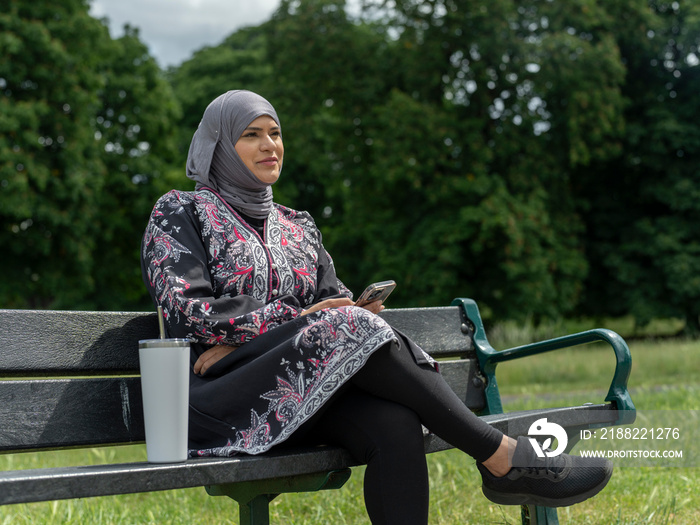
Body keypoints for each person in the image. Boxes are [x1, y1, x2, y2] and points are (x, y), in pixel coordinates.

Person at [140, 90, 612, 524]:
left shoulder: (297, 225)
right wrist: (296, 324)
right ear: (219, 146)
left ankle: (504, 461)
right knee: (344, 324)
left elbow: (334, 304)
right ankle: (504, 457)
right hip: (219, 401)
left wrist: (324, 321)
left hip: (300, 395)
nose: (270, 145)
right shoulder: (181, 212)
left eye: (275, 133)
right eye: (251, 135)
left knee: (395, 422)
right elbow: (187, 311)